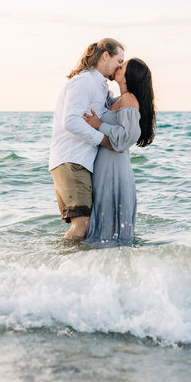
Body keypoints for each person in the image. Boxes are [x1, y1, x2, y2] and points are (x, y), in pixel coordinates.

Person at [49, 38, 124, 239]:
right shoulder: (83, 81)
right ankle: (55, 267)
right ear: (105, 55)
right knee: (82, 225)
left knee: (86, 226)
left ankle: (71, 267)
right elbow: (71, 121)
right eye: (119, 61)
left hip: (81, 161)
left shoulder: (100, 86)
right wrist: (104, 140)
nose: (120, 67)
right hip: (71, 159)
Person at [83, 58, 156, 247]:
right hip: (106, 164)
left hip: (114, 168)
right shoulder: (117, 99)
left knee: (109, 223)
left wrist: (100, 125)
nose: (118, 67)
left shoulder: (129, 99)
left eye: (122, 66)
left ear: (128, 76)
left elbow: (127, 138)